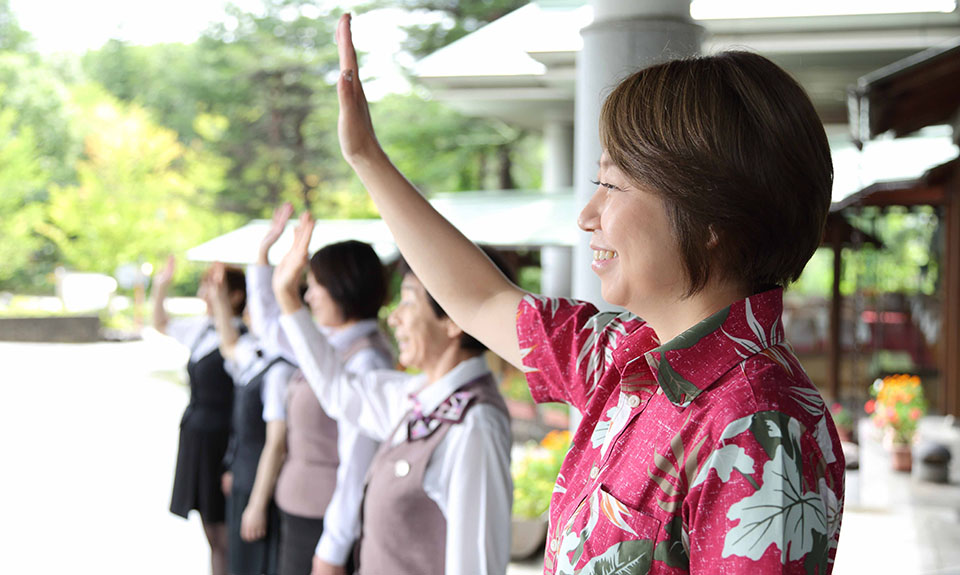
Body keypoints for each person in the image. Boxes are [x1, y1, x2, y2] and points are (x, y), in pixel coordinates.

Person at [333, 13, 844, 575]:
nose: (587, 216)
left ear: (711, 217)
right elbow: (480, 301)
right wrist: (366, 159)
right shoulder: (626, 355)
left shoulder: (759, 428)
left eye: (612, 184)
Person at [272, 216, 514, 575]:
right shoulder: (418, 397)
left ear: (453, 321)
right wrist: (286, 297)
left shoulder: (475, 424)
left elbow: (477, 566)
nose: (395, 317)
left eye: (409, 302)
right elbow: (339, 392)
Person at [247, 203, 394, 575]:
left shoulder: (366, 361)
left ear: (341, 288)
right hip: (301, 509)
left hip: (326, 521)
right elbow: (271, 327)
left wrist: (332, 549)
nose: (309, 297)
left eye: (313, 286)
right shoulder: (329, 343)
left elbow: (356, 466)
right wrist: (263, 257)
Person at [152, 257, 246, 575]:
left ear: (235, 296)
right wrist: (161, 286)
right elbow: (161, 323)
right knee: (211, 530)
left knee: (222, 533)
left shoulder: (242, 338)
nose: (205, 293)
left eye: (214, 287)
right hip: (198, 435)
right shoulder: (202, 330)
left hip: (221, 441)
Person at [208, 262, 295, 575]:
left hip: (263, 484)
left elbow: (277, 442)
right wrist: (219, 299)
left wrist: (257, 504)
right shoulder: (257, 354)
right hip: (245, 476)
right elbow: (229, 344)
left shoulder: (281, 371)